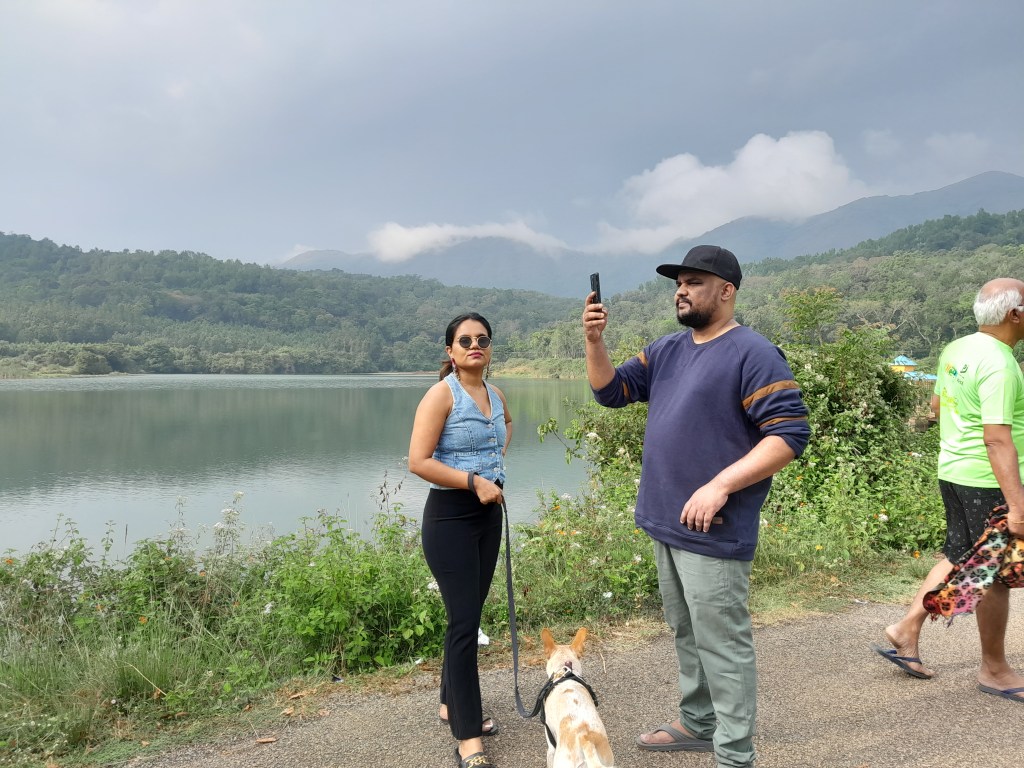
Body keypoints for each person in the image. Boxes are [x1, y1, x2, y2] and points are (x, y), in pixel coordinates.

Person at [582, 245, 810, 767]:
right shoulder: (667, 349)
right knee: (686, 631)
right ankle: (699, 722)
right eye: (679, 284)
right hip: (666, 520)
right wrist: (594, 341)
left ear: (726, 291)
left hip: (715, 526)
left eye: (694, 283)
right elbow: (611, 391)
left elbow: (789, 435)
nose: (681, 291)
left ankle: (735, 754)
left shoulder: (753, 353)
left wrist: (721, 484)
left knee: (722, 643)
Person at [872, 278, 1024, 701]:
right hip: (987, 480)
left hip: (954, 471)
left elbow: (938, 407)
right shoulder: (1000, 363)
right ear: (1014, 314)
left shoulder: (956, 349)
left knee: (961, 556)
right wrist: (1016, 504)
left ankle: (906, 628)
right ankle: (994, 670)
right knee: (992, 574)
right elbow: (996, 439)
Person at [408, 312, 512, 768]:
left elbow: (505, 427)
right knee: (465, 624)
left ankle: (450, 704)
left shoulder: (495, 394)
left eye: (482, 340)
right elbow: (418, 461)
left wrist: (493, 467)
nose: (475, 346)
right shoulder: (440, 395)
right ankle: (468, 736)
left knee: (466, 618)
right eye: (465, 340)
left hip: (488, 516)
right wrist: (474, 480)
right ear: (450, 351)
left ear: (489, 349)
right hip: (450, 518)